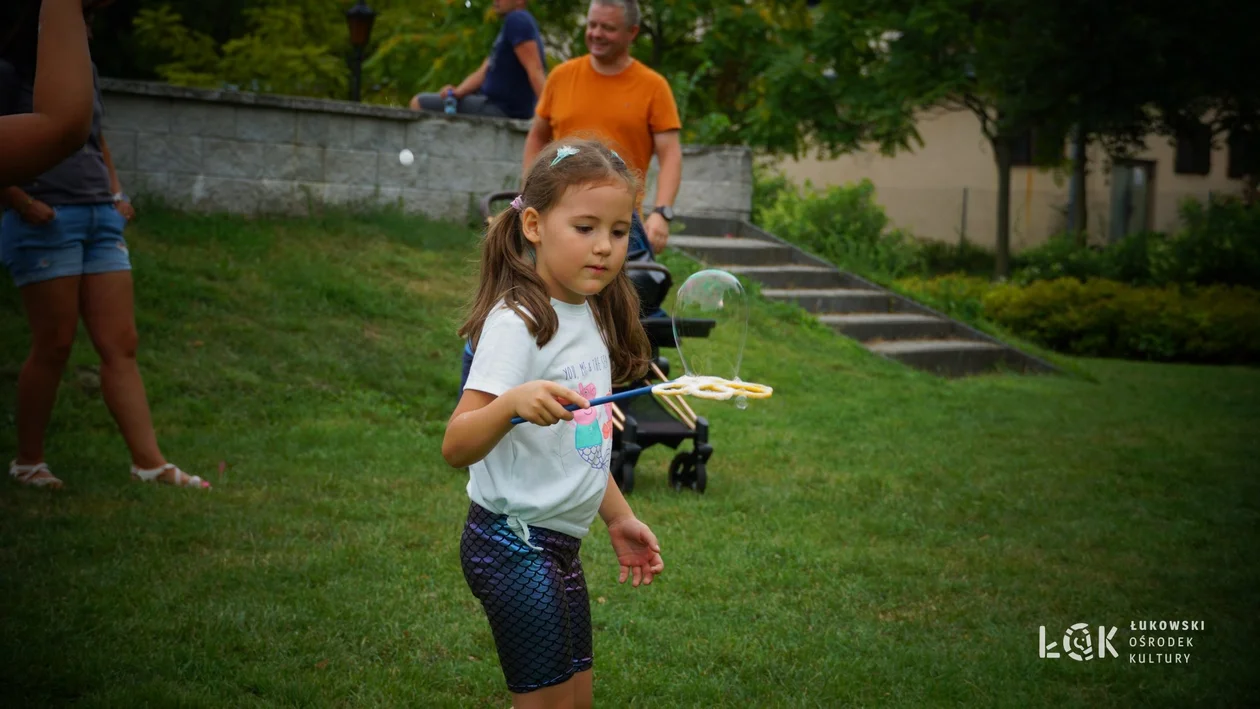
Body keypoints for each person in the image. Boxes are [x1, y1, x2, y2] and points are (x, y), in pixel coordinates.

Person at [442, 139, 665, 708]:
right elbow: (456, 443)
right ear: (535, 225)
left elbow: (584, 439)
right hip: (512, 541)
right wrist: (511, 402)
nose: (605, 247)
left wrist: (619, 516)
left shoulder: (588, 311)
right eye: (586, 227)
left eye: (619, 232)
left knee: (576, 702)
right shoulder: (518, 322)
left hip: (559, 545)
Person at [0, 41, 207, 490]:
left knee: (121, 343)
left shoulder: (81, 65)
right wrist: (20, 200)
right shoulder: (10, 70)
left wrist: (116, 193)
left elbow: (95, 136)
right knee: (54, 342)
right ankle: (28, 462)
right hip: (44, 218)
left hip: (99, 215)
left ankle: (149, 464)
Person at [523, 0, 682, 258]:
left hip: (619, 230)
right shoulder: (561, 76)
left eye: (607, 27)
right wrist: (529, 192)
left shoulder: (653, 87)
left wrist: (662, 213)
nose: (596, 33)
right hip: (557, 221)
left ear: (632, 32)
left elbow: (671, 155)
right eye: (592, 24)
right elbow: (537, 137)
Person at [0, 0, 96, 187]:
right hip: (44, 201)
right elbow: (63, 126)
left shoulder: (87, 74)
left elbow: (95, 139)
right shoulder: (9, 74)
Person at [410, 0, 546, 120]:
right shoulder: (509, 28)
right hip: (490, 104)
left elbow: (535, 69)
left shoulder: (518, 20)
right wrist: (457, 92)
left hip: (501, 109)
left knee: (419, 103)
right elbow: (483, 72)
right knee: (433, 102)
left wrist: (552, 111)